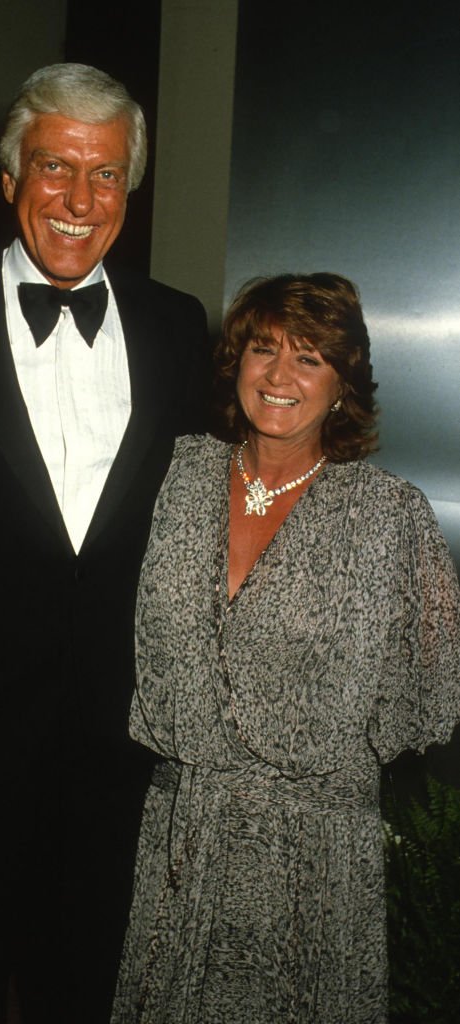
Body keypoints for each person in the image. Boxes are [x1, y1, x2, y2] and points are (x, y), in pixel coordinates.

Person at [0, 63, 209, 1024]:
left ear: (127, 192)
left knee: (87, 990)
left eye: (104, 175)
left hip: (117, 748)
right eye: (55, 167)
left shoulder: (177, 326)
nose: (78, 199)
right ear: (10, 176)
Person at [111, 273, 460, 1023]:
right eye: (262, 349)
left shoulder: (389, 517)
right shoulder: (174, 474)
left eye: (308, 357)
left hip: (312, 854)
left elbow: (425, 701)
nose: (277, 375)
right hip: (182, 830)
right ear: (234, 360)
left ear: (343, 384)